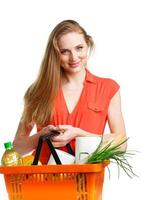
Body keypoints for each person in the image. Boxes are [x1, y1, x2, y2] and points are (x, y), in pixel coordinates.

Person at [13, 19, 127, 164]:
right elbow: (17, 148)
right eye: (64, 51)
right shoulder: (38, 91)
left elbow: (122, 144)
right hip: (43, 180)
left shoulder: (108, 88)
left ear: (88, 45)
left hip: (86, 180)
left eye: (79, 48)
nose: (74, 57)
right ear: (54, 54)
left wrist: (79, 134)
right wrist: (41, 136)